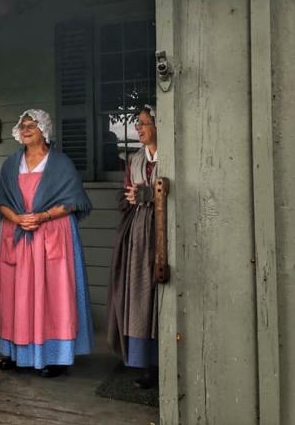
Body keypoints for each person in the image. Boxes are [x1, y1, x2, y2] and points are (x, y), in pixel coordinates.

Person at [0, 109, 94, 377]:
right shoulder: (11, 164)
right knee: (15, 295)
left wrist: (42, 216)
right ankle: (14, 352)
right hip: (17, 234)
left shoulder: (60, 163)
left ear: (44, 129)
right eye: (22, 125)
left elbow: (73, 202)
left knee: (53, 294)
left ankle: (55, 357)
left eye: (31, 125)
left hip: (52, 233)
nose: (25, 129)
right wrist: (19, 218)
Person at [107, 104, 159, 389]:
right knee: (140, 295)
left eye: (144, 123)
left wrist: (150, 193)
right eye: (138, 124)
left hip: (164, 230)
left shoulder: (173, 155)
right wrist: (129, 196)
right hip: (139, 234)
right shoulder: (136, 159)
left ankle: (169, 358)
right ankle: (147, 365)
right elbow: (128, 191)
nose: (139, 128)